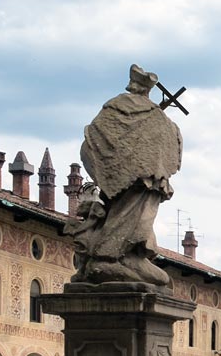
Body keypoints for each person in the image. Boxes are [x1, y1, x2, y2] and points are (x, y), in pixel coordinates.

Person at [69, 64, 183, 287]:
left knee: (161, 279)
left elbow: (91, 141)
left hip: (129, 185)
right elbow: (168, 151)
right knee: (162, 279)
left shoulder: (115, 110)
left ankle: (116, 257)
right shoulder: (159, 120)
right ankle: (107, 257)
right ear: (147, 89)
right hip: (140, 186)